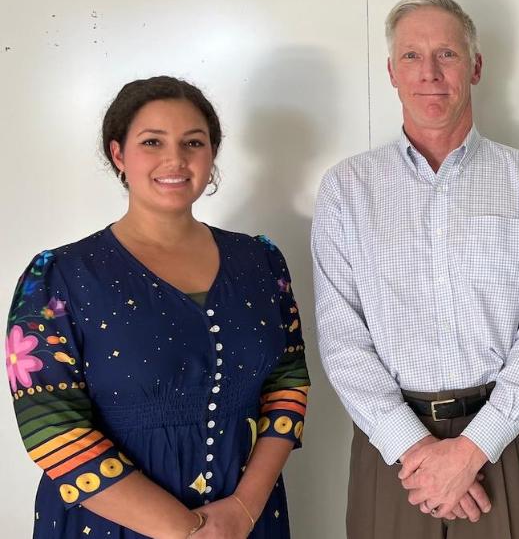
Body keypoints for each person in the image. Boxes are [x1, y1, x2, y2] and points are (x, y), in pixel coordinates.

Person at [5, 76, 310, 538]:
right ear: (119, 154)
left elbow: (288, 381)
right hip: (112, 523)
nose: (175, 159)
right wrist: (187, 530)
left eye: (193, 142)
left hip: (247, 521)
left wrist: (243, 511)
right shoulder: (59, 276)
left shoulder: (261, 261)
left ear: (212, 154)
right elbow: (50, 424)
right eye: (152, 142)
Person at [312, 0, 519, 539]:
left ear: (475, 66)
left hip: (508, 441)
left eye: (446, 54)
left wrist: (474, 448)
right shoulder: (346, 190)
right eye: (411, 56)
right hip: (394, 450)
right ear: (391, 71)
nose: (429, 72)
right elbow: (341, 340)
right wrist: (416, 447)